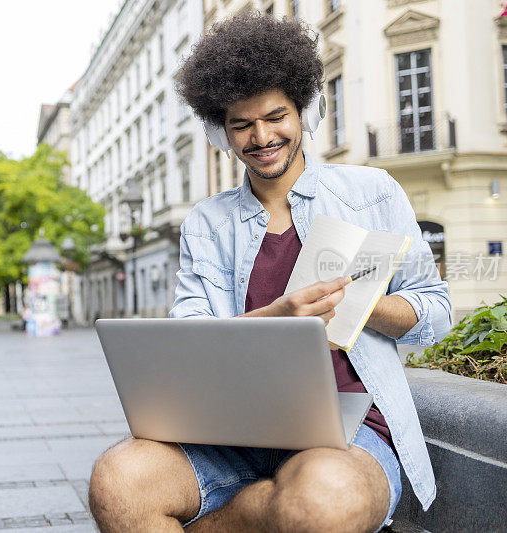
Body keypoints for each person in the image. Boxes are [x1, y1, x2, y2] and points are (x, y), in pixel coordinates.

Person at [88, 13, 451, 533]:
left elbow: (436, 312)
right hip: (234, 431)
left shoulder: (371, 193)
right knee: (118, 481)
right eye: (242, 124)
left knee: (319, 504)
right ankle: (267, 505)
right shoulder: (207, 224)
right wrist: (275, 318)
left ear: (304, 111)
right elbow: (187, 337)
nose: (262, 137)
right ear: (222, 131)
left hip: (348, 431)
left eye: (276, 116)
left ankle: (265, 508)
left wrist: (360, 300)